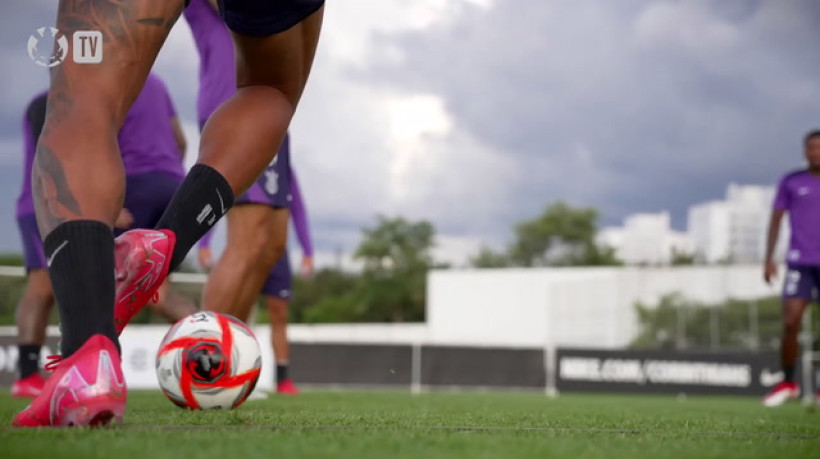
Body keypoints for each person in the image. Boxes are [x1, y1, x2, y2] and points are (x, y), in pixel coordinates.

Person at [14, 0, 323, 428]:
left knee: (85, 98)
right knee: (270, 90)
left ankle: (87, 356)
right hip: (181, 168)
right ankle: (167, 240)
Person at [10, 74, 197, 399]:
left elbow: (72, 156)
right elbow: (179, 141)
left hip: (65, 200)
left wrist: (102, 204)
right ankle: (211, 348)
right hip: (162, 183)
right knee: (151, 287)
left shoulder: (76, 95)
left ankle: (62, 369)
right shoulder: (150, 81)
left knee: (52, 287)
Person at [197, 150, 315, 395]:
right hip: (246, 244)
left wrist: (307, 249)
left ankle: (282, 379)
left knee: (279, 313)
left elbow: (298, 205)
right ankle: (211, 360)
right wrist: (205, 241)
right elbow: (221, 194)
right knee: (240, 304)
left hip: (276, 251)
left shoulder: (283, 166)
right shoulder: (246, 156)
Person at [762, 130, 820, 407]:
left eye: (819, 148)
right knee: (790, 322)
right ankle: (787, 383)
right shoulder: (791, 181)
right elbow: (775, 219)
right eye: (810, 148)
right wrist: (768, 257)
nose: (815, 152)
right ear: (804, 151)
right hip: (799, 262)